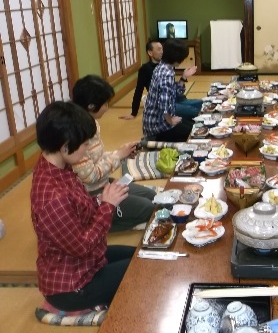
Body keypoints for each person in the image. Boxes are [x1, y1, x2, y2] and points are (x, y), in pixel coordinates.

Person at [31, 101, 135, 312]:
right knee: (143, 270)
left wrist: (102, 198)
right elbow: (82, 246)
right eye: (85, 144)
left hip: (89, 262)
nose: (88, 148)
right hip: (73, 285)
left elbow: (79, 210)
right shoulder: (52, 197)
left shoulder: (59, 166)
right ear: (65, 146)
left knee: (143, 256)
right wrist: (108, 205)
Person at [72, 75, 156, 232]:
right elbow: (89, 176)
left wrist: (121, 153)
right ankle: (98, 222)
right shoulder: (77, 133)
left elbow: (95, 157)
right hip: (93, 193)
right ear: (91, 106)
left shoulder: (91, 123)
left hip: (104, 183)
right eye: (105, 103)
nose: (107, 107)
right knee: (150, 208)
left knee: (151, 195)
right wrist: (118, 156)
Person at [119, 39, 202, 121]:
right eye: (159, 49)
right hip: (165, 105)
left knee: (202, 104)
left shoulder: (167, 65)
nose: (162, 51)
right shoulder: (147, 69)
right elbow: (139, 90)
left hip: (175, 98)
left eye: (162, 49)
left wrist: (184, 77)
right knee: (197, 111)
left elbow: (173, 90)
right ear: (150, 53)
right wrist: (133, 113)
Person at [143, 38, 197, 142]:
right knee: (195, 132)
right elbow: (164, 105)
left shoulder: (163, 67)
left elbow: (173, 94)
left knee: (194, 124)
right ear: (178, 58)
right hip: (158, 128)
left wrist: (184, 77)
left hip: (158, 121)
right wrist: (170, 121)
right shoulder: (166, 73)